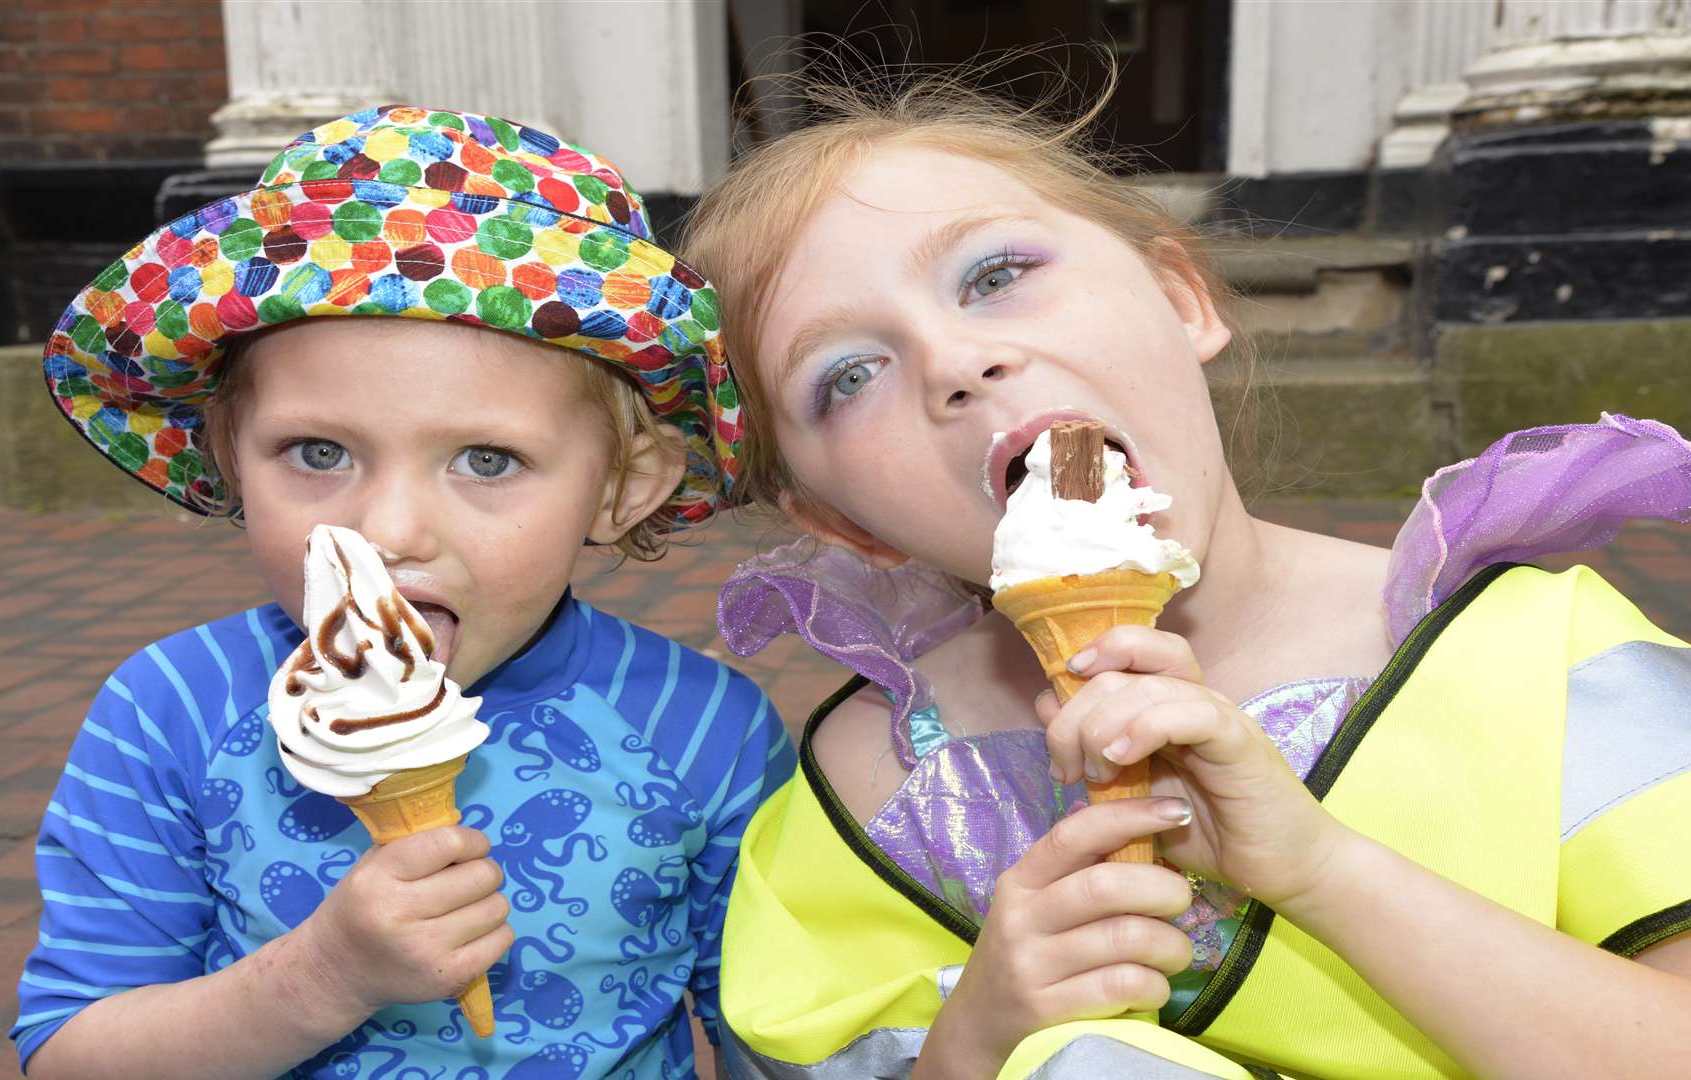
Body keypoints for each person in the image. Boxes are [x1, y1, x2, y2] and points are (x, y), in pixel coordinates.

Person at [679, 76, 1691, 1079]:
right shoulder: (873, 788)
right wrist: (972, 1041)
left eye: (993, 276)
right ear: (843, 524)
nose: (956, 360)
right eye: (848, 375)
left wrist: (1326, 872)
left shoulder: (1541, 661)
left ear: (1181, 299)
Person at [10, 105, 794, 1079]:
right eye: (319, 452)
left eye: (487, 459)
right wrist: (323, 976)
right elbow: (71, 1054)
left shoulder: (703, 727)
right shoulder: (168, 710)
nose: (387, 532)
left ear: (621, 486)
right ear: (230, 461)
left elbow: (773, 1034)